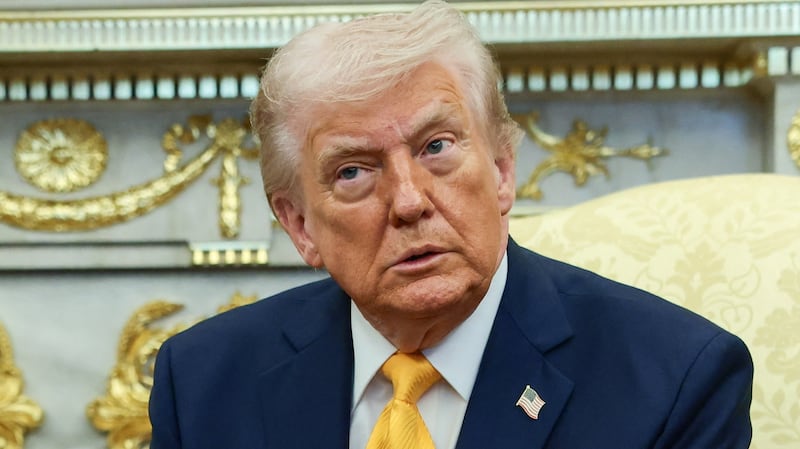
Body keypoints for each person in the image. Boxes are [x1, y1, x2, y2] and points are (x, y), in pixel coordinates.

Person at [148, 1, 753, 448]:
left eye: (437, 146)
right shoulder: (202, 384)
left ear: (501, 170)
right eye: (354, 171)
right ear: (300, 224)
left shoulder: (675, 380)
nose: (409, 202)